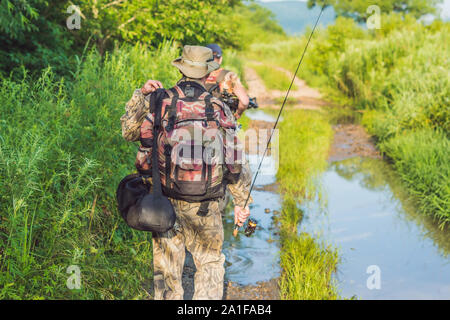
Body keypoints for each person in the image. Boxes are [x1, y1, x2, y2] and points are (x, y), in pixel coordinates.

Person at [120, 45, 252, 300]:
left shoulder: (159, 101)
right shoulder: (218, 107)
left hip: (164, 200)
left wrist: (140, 94)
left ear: (181, 68)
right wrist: (241, 202)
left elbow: (128, 132)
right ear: (207, 73)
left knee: (167, 269)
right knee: (210, 263)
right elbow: (235, 162)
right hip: (207, 204)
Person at [204, 43, 249, 119]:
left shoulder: (196, 74)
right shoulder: (229, 76)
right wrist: (238, 114)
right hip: (221, 122)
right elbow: (244, 101)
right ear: (220, 59)